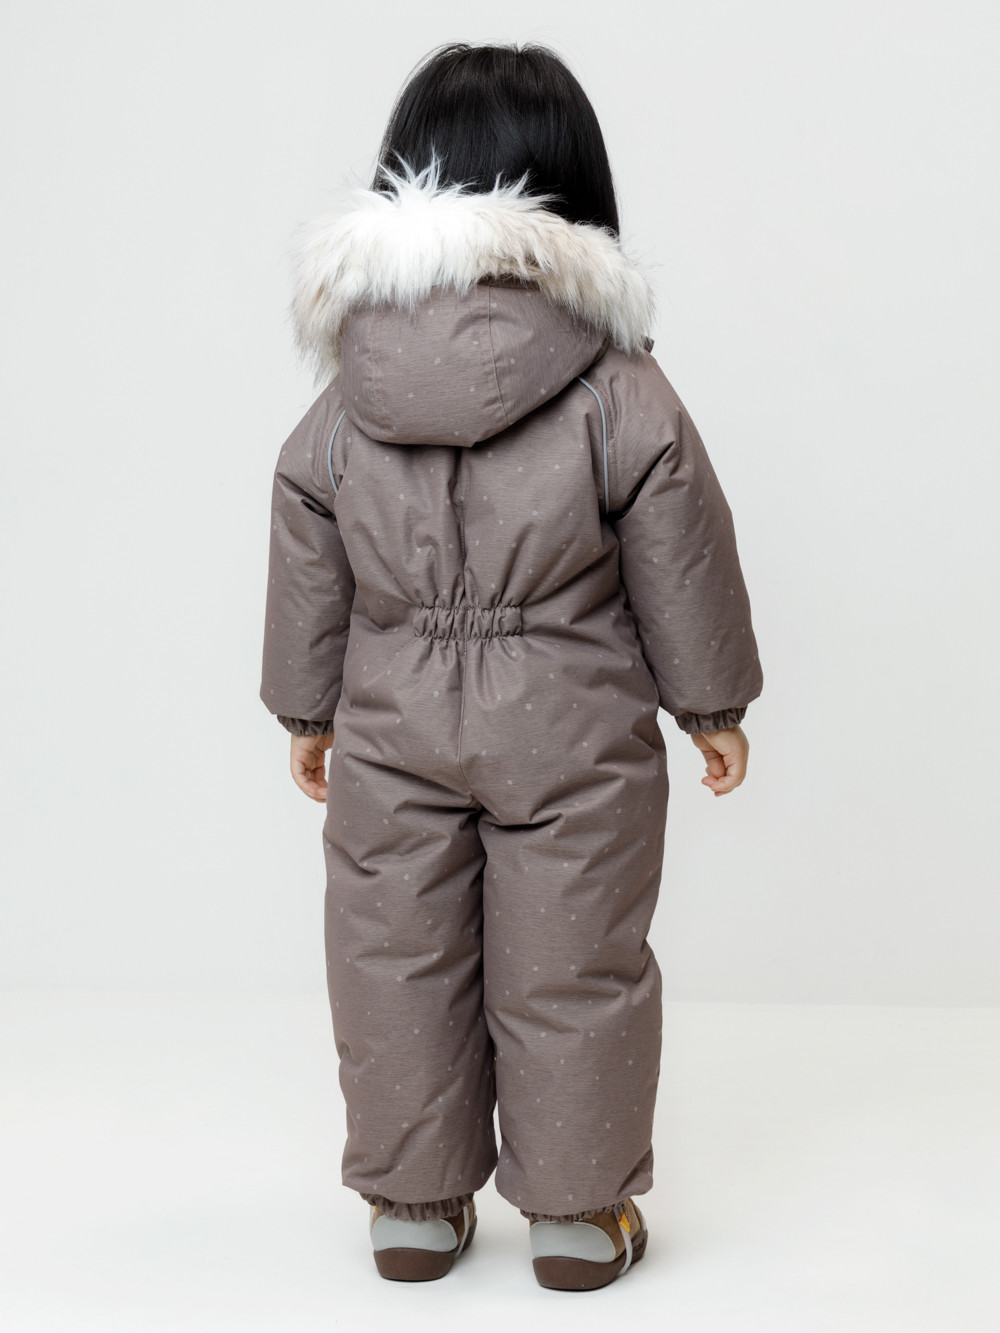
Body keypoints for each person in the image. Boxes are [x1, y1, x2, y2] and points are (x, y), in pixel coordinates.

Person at [259, 40, 763, 1290]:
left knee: (393, 950)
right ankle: (578, 1217)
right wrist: (710, 702)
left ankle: (414, 1207)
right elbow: (679, 536)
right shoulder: (617, 385)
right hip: (570, 721)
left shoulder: (352, 382)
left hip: (392, 717)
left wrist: (307, 709)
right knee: (571, 959)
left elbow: (305, 520)